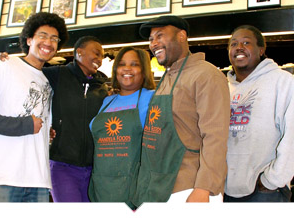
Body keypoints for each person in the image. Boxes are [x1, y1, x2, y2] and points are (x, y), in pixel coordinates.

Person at [0, 36, 109, 202]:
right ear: (79, 52)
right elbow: (25, 74)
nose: (99, 59)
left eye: (102, 56)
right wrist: (1, 63)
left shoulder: (102, 88)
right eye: (96, 53)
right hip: (63, 166)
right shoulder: (58, 74)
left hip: (93, 169)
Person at [131, 15, 230, 206]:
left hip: (190, 190)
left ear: (182, 36)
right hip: (160, 188)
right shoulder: (167, 78)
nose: (154, 43)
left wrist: (204, 188)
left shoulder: (206, 75)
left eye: (160, 36)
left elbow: (216, 136)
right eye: (151, 39)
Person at [0, 12, 68, 202]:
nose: (48, 42)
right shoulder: (4, 65)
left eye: (54, 39)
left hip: (38, 182)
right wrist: (24, 125)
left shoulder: (47, 83)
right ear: (29, 39)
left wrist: (47, 133)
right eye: (42, 36)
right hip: (1, 179)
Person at [224, 25, 294, 202]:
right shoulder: (222, 87)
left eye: (246, 42)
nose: (239, 47)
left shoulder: (283, 81)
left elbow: (292, 136)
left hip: (265, 191)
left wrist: (272, 180)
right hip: (225, 190)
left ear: (261, 50)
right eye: (233, 44)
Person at [88, 47, 155, 209]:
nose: (127, 68)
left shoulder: (152, 97)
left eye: (134, 64)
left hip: (134, 191)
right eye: (122, 64)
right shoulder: (107, 101)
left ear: (144, 70)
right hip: (102, 186)